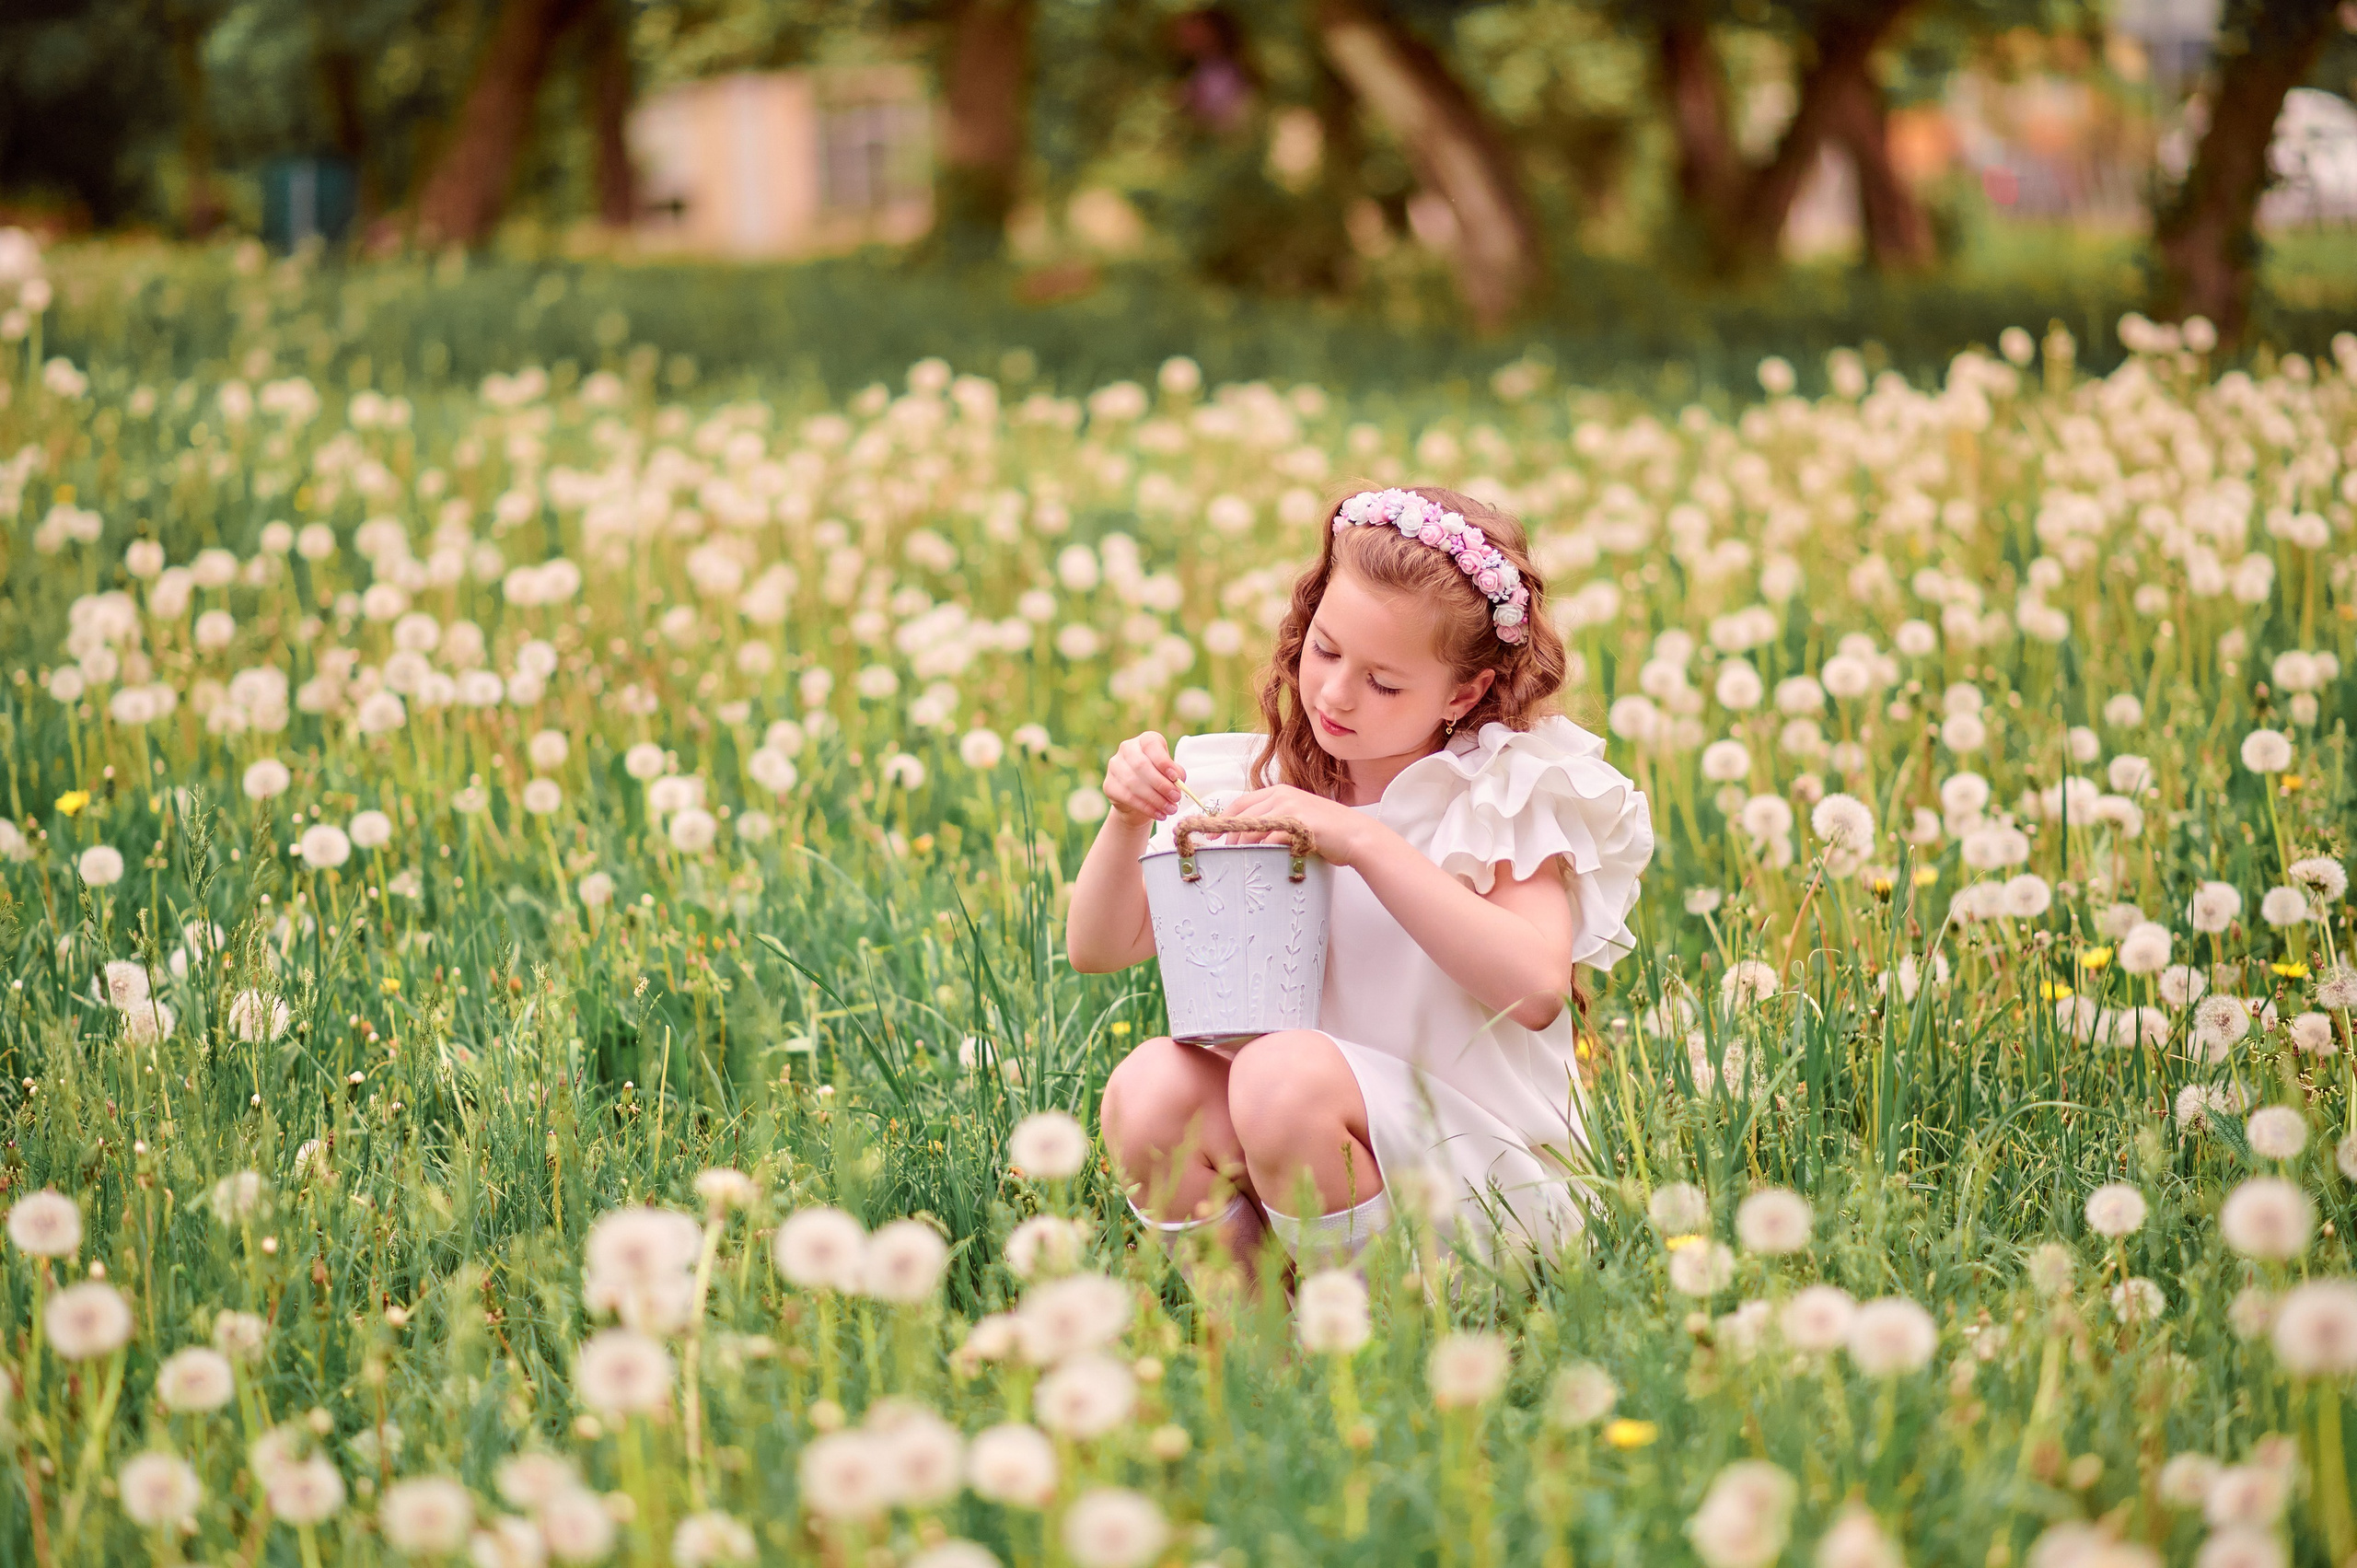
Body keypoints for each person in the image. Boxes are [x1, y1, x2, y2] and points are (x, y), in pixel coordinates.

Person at [1066, 483, 1654, 1279]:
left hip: (1486, 1187)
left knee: (1280, 1072)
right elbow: (1100, 947)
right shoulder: (1263, 780)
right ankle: (1265, 1362)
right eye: (1326, 650)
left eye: (1384, 682)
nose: (1337, 694)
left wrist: (1360, 839)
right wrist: (1127, 817)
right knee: (1150, 1087)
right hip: (1310, 1138)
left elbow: (1537, 986)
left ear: (1465, 692)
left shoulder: (1497, 792)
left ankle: (1377, 1347)